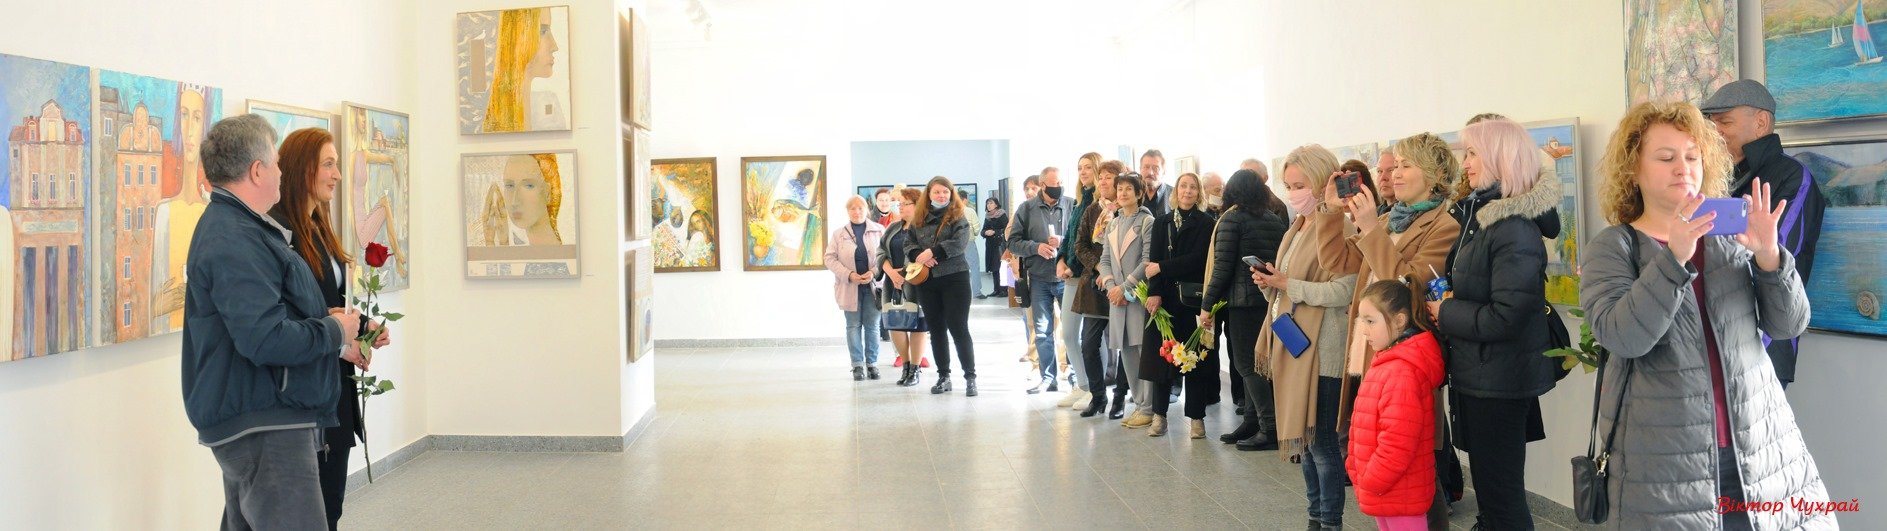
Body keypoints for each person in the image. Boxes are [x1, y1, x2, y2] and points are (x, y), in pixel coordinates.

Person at [1582, 101, 1831, 529]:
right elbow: (1623, 338)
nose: (1683, 168)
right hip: (1666, 465)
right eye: (1666, 158)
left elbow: (1788, 325)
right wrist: (1673, 259)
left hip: (1757, 450)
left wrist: (1770, 257)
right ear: (1633, 170)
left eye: (1693, 156)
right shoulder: (1614, 247)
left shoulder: (1728, 240)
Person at [181, 114, 363, 530]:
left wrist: (325, 319)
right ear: (257, 171)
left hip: (263, 414)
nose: (282, 172)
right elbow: (264, 338)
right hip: (265, 422)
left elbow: (262, 317)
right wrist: (334, 331)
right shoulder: (234, 238)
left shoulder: (243, 229)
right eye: (276, 163)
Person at [1425, 117, 1561, 530]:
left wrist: (1445, 311)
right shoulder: (1483, 217)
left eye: (1472, 153)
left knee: (1501, 499)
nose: (1465, 164)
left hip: (1498, 381)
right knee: (1491, 492)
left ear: (1500, 158)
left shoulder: (1513, 228)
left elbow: (1507, 316)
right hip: (1481, 372)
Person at [266, 128, 393, 531]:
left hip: (334, 386)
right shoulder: (277, 234)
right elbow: (284, 317)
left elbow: (330, 302)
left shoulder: (318, 226)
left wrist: (364, 327)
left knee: (330, 507)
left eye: (336, 164)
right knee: (307, 514)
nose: (337, 174)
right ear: (302, 168)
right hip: (303, 389)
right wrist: (340, 343)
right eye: (329, 164)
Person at [1252, 144, 1357, 529]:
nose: (1293, 193)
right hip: (1295, 344)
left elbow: (1345, 291)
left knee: (1322, 444)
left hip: (1325, 350)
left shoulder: (1342, 227)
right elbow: (1288, 286)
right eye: (1289, 186)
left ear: (1321, 182)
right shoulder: (1298, 227)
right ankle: (1315, 517)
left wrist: (1287, 284)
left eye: (1300, 185)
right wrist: (1271, 283)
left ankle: (1330, 522)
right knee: (1308, 445)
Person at [1701, 79, 1826, 389]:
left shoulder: (1793, 177)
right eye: (1711, 123)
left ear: (1760, 123)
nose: (1715, 131)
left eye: (1725, 121)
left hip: (1765, 347)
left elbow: (1778, 256)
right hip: (1710, 343)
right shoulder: (1713, 177)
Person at [1346, 279, 1444, 531]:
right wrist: (1356, 468)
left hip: (1398, 491)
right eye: (1361, 321)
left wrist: (1370, 479)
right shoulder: (1386, 363)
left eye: (1370, 321)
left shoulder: (1401, 372)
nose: (1364, 330)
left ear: (1399, 320)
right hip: (1384, 489)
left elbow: (1398, 443)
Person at [1201, 168, 1288, 446]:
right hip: (1270, 299)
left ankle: (1269, 427)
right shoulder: (1274, 219)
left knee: (1246, 364)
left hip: (1244, 302)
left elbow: (1222, 268)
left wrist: (1206, 305)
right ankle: (1252, 421)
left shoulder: (1232, 218)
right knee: (1260, 362)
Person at [1141, 173, 1218, 438]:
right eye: (1183, 186)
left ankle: (1197, 419)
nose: (1187, 191)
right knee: (1163, 360)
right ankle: (1159, 416)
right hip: (1166, 301)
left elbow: (1199, 260)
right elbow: (1152, 263)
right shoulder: (1162, 222)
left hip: (1193, 302)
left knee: (1195, 360)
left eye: (1193, 187)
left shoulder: (1206, 223)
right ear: (1176, 191)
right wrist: (1154, 292)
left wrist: (1163, 267)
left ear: (1199, 193)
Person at [905, 177, 978, 396]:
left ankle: (970, 377)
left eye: (945, 192)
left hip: (955, 278)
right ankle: (943, 376)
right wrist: (919, 255)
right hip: (927, 281)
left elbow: (960, 242)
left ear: (951, 193)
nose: (941, 195)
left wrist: (933, 253)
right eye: (937, 192)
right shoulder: (919, 218)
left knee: (958, 327)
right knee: (936, 330)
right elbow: (909, 244)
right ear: (928, 194)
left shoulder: (958, 215)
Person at [1098, 173, 1157, 427]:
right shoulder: (1113, 223)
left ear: (1138, 193)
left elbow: (1147, 260)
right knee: (1127, 351)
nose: (1122, 193)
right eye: (1119, 189)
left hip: (1138, 297)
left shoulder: (1147, 221)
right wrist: (1112, 287)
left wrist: (1124, 288)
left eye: (1128, 189)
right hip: (1117, 299)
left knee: (1144, 351)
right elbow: (1104, 260)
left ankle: (1149, 407)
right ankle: (1139, 403)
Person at [1009, 166, 1072, 394]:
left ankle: (1075, 379)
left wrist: (1062, 241)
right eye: (1054, 184)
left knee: (1072, 332)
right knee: (1043, 331)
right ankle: (1048, 378)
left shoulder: (1072, 205)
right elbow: (1013, 242)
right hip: (1038, 278)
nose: (1059, 187)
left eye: (1061, 183)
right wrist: (1036, 247)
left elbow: (1081, 238)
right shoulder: (1026, 209)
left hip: (1067, 278)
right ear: (1043, 185)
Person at [1057, 152, 1105, 408]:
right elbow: (1070, 236)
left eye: (1088, 167)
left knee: (1093, 338)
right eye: (1080, 168)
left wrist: (1072, 266)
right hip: (1072, 275)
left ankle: (1095, 388)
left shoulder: (1100, 204)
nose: (1083, 172)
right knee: (1068, 333)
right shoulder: (1080, 201)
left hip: (1090, 275)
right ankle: (1084, 384)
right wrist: (1060, 259)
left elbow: (1091, 244)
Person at [1075, 162, 1122, 417]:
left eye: (1109, 177)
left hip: (1122, 285)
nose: (1103, 182)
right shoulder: (1093, 210)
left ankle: (1120, 398)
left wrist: (1113, 274)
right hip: (1095, 285)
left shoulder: (1127, 210)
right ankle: (1098, 396)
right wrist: (1099, 269)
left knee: (1124, 346)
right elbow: (1080, 245)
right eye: (1100, 177)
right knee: (1089, 344)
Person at [826, 196, 884, 381]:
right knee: (853, 326)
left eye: (860, 208)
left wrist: (873, 272)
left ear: (867, 209)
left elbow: (886, 257)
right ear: (847, 211)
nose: (857, 212)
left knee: (872, 326)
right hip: (849, 286)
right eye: (852, 208)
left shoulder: (879, 230)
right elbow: (829, 259)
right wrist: (849, 274)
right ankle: (857, 365)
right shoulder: (839, 234)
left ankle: (872, 364)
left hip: (873, 287)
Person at [482, 7, 566, 132]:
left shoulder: (549, 106)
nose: (554, 46)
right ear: (517, 37)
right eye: (542, 31)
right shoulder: (496, 124)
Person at [880, 187, 930, 386]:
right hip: (893, 283)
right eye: (898, 204)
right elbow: (880, 252)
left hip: (918, 283)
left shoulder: (925, 228)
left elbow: (925, 256)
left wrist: (905, 272)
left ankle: (915, 369)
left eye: (904, 204)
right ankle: (906, 366)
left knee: (919, 326)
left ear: (917, 205)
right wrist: (891, 273)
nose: (899, 207)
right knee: (895, 324)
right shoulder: (893, 228)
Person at [981, 197, 1009, 298]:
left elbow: (1007, 229)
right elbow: (982, 231)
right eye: (987, 203)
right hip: (990, 245)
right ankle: (996, 290)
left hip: (1000, 244)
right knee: (994, 267)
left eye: (991, 203)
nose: (989, 205)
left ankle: (1004, 290)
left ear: (996, 204)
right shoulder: (987, 216)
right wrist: (985, 232)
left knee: (1001, 267)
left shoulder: (1002, 214)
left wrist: (994, 232)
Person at [1140, 150, 1173, 218]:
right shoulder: (1133, 195)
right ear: (1140, 169)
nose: (1150, 172)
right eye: (1146, 167)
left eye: (1156, 168)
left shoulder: (1174, 194)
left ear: (1164, 172)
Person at [1373, 150, 1399, 216]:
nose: (1383, 178)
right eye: (1379, 171)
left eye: (1391, 170)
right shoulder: (1373, 213)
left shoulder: (1412, 215)